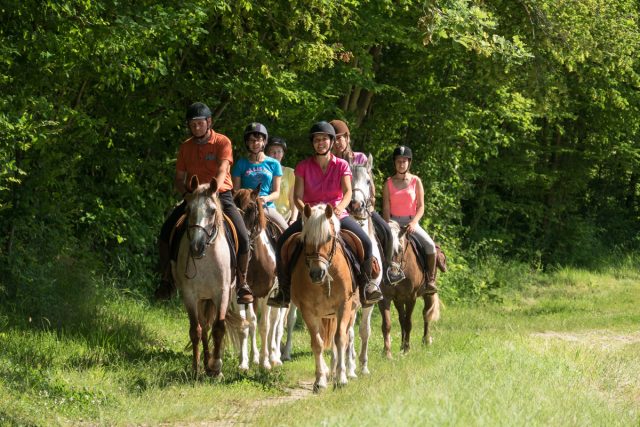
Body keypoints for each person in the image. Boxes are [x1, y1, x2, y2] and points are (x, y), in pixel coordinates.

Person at [267, 121, 384, 308]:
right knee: (282, 242)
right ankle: (284, 290)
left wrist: (339, 209)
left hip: (337, 214)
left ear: (330, 141)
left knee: (367, 243)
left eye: (324, 139)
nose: (320, 143)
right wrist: (306, 211)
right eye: (316, 139)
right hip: (311, 215)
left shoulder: (342, 165)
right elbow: (297, 197)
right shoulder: (303, 166)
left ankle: (366, 286)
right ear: (312, 143)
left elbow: (347, 193)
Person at [155, 102, 254, 304]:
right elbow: (179, 178)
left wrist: (213, 190)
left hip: (220, 195)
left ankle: (242, 283)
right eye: (193, 124)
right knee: (166, 231)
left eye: (200, 123)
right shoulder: (185, 147)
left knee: (243, 236)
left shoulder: (222, 142)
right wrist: (187, 194)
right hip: (194, 197)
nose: (196, 127)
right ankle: (167, 278)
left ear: (209, 122)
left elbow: (223, 169)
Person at [329, 119, 403, 284]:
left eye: (341, 137)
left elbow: (371, 187)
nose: (338, 142)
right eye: (335, 139)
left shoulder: (360, 158)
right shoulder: (331, 161)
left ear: (348, 138)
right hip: (340, 209)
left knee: (386, 231)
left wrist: (369, 205)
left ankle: (390, 268)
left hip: (363, 208)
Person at [382, 145, 438, 295]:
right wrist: (387, 225)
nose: (401, 164)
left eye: (404, 161)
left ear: (409, 163)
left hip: (411, 222)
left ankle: (430, 280)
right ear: (395, 163)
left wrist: (413, 223)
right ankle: (382, 277)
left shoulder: (416, 181)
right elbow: (386, 208)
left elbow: (421, 207)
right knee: (385, 245)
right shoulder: (388, 183)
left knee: (430, 246)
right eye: (399, 161)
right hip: (393, 223)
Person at [232, 122, 288, 231]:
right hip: (245, 207)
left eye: (259, 140)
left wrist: (265, 199)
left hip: (267, 207)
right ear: (247, 143)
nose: (255, 143)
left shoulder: (274, 164)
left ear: (264, 141)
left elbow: (276, 192)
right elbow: (236, 191)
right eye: (251, 140)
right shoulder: (241, 164)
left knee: (286, 230)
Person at [264, 136, 298, 225]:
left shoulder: (291, 173)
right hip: (265, 215)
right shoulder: (262, 172)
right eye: (272, 152)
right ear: (267, 154)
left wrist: (293, 219)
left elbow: (293, 199)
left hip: (284, 218)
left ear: (283, 154)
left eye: (279, 151)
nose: (276, 155)